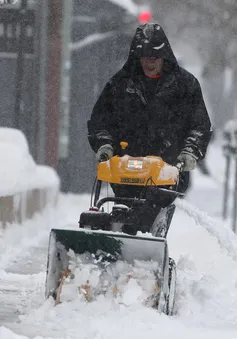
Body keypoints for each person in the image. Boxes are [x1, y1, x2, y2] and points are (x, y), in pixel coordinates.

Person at [87, 23, 212, 233]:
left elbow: (199, 126)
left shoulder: (185, 86)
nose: (149, 62)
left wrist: (190, 152)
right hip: (125, 169)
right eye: (144, 57)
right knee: (122, 217)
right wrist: (104, 145)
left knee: (150, 220)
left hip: (167, 169)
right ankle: (119, 247)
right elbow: (100, 121)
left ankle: (144, 249)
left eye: (154, 57)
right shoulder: (120, 85)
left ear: (164, 56)